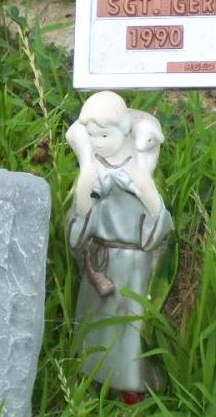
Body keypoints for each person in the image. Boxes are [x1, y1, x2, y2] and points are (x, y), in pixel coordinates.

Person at [65, 91, 173, 393]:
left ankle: (131, 388)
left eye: (104, 134)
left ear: (124, 130)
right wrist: (85, 187)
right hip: (99, 261)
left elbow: (158, 224)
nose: (98, 142)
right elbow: (76, 228)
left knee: (128, 326)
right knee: (93, 324)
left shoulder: (141, 170)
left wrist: (143, 188)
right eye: (92, 135)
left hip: (133, 263)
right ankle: (91, 380)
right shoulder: (91, 170)